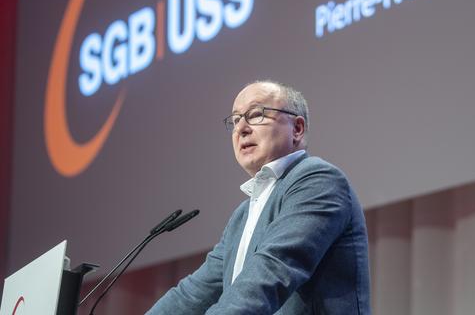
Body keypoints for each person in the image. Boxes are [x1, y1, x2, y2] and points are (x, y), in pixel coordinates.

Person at [147, 80, 371, 314]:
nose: (241, 128)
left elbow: (270, 271)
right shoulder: (242, 215)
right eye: (235, 120)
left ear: (297, 128)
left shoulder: (318, 179)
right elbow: (194, 293)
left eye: (255, 114)